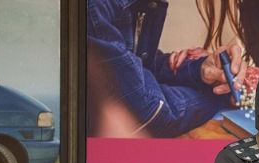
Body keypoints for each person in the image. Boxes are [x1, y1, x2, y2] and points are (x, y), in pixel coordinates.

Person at [86, 0, 248, 138]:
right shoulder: (95, 6)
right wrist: (218, 97)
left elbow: (139, 67)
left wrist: (200, 70)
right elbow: (149, 113)